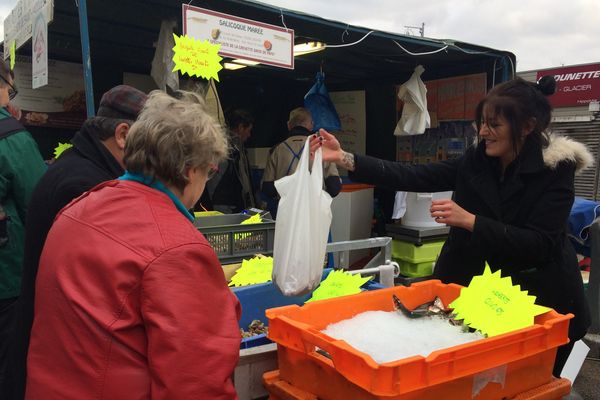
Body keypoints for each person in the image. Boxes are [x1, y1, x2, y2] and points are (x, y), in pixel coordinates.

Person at [311, 76, 592, 377]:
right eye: (482, 123)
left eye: (494, 125)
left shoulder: (555, 171)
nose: (484, 132)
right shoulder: (477, 160)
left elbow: (541, 245)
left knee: (530, 384)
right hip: (477, 296)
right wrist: (345, 158)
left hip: (539, 301)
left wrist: (471, 221)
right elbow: (415, 175)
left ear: (526, 127)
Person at [25, 90, 241, 399]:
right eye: (209, 171)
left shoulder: (78, 208)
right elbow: (196, 384)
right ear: (190, 169)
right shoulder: (178, 249)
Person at [2, 85, 148, 400]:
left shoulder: (79, 164)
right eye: (149, 144)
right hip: (59, 358)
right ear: (123, 135)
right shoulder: (86, 187)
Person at [0, 59, 46, 390]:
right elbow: (39, 204)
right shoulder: (11, 137)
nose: (10, 99)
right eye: (9, 89)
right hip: (7, 278)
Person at [261, 107, 341, 217]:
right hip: (315, 213)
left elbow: (268, 189)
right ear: (312, 125)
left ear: (289, 125)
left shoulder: (276, 150)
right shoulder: (321, 148)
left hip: (287, 215)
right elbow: (335, 187)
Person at [206, 108, 255, 213]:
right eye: (248, 130)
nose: (249, 135)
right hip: (224, 206)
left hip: (224, 204)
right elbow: (215, 181)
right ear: (241, 127)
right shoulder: (228, 149)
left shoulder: (229, 146)